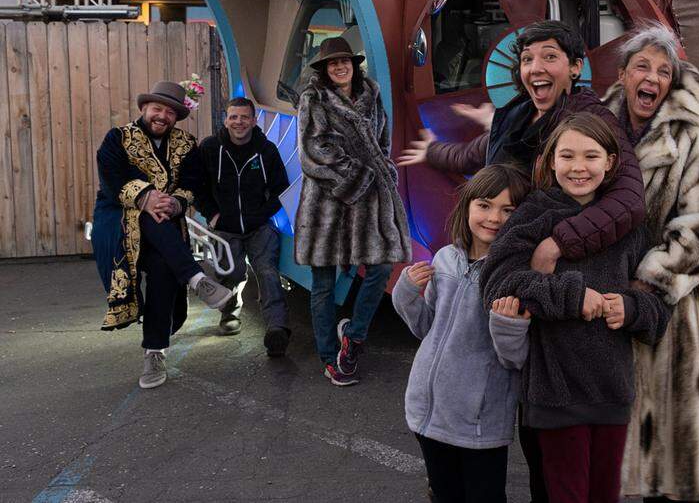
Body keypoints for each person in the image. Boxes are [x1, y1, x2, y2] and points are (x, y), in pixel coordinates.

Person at [398, 19, 646, 501]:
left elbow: (630, 201)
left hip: (543, 286)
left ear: (576, 67)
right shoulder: (516, 113)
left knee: (545, 441)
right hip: (501, 272)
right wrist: (436, 151)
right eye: (528, 58)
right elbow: (482, 156)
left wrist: (557, 244)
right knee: (484, 385)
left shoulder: (589, 118)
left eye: (550, 57)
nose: (536, 67)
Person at [484, 113, 671, 503]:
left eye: (591, 156)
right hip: (555, 393)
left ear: (610, 162)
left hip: (611, 393)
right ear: (551, 161)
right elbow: (497, 282)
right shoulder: (533, 214)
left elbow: (659, 307)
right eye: (567, 156)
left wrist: (631, 309)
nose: (578, 167)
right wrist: (572, 296)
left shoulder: (629, 228)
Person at [603, 23, 699, 503]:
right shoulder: (598, 124)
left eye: (663, 71)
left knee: (676, 445)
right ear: (623, 74)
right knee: (621, 433)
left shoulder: (696, 135)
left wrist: (646, 285)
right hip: (605, 298)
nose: (651, 78)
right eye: (642, 67)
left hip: (669, 307)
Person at [393, 164, 532, 503]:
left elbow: (516, 359)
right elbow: (426, 327)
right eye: (485, 205)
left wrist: (509, 327)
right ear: (467, 206)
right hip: (428, 413)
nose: (494, 218)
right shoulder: (444, 259)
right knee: (445, 494)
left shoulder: (517, 275)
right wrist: (405, 294)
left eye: (508, 210)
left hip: (479, 425)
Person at [94, 80, 234, 389]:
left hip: (166, 228)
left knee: (163, 272)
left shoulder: (186, 143)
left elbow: (194, 182)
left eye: (170, 112)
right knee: (150, 214)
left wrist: (176, 202)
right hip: (119, 221)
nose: (162, 116)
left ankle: (154, 352)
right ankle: (197, 278)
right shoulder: (118, 138)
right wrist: (146, 198)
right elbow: (110, 177)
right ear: (144, 108)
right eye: (157, 109)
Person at [295, 36, 411, 386]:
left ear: (353, 65)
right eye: (333, 63)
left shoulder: (371, 94)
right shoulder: (313, 99)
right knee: (323, 284)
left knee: (381, 268)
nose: (340, 66)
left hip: (370, 200)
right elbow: (313, 151)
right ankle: (329, 357)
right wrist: (359, 177)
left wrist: (383, 168)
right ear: (325, 70)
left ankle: (354, 336)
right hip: (326, 203)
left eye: (344, 61)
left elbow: (383, 138)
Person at [194, 96, 291, 356]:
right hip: (224, 227)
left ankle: (277, 329)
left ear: (254, 120)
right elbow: (197, 186)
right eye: (234, 117)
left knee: (267, 272)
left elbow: (281, 188)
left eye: (244, 117)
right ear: (225, 120)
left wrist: (262, 215)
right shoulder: (210, 148)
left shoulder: (266, 150)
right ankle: (230, 313)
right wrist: (212, 215)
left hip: (259, 227)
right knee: (232, 273)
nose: (239, 122)